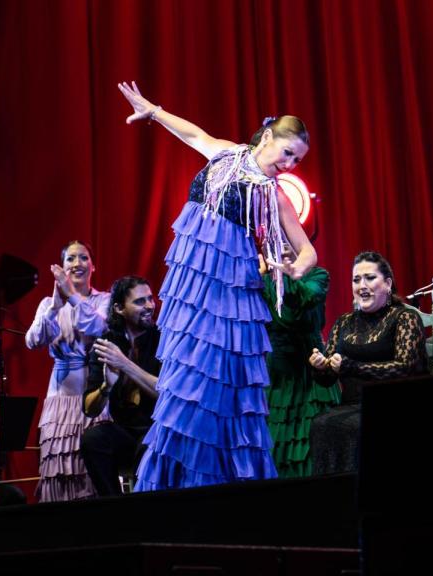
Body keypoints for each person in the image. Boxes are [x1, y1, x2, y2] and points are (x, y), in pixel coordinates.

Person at [118, 82, 317, 490]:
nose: (291, 164)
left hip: (229, 289)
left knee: (221, 376)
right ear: (266, 138)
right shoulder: (226, 154)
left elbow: (307, 250)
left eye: (297, 159)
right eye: (287, 153)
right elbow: (194, 134)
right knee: (188, 371)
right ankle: (175, 475)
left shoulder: (273, 195)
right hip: (195, 278)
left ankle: (220, 477)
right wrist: (152, 110)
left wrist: (296, 268)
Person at [308, 251, 427, 475]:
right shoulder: (344, 322)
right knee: (320, 424)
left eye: (370, 278)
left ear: (388, 283)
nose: (362, 285)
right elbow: (327, 380)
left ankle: (362, 501)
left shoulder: (405, 318)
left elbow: (404, 368)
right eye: (356, 279)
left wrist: (350, 366)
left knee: (355, 428)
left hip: (396, 407)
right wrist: (320, 366)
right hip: (351, 405)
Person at [26, 240, 110, 501]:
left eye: (83, 258)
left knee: (89, 469)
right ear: (61, 268)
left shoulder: (103, 300)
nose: (77, 264)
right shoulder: (48, 304)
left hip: (92, 395)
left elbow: (98, 328)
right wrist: (55, 305)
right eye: (71, 259)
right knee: (57, 470)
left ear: (93, 265)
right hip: (59, 401)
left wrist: (72, 296)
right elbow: (33, 340)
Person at [259, 246, 340, 478]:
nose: (283, 245)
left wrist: (286, 275)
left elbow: (300, 301)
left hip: (312, 373)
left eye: (288, 239)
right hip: (277, 376)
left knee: (315, 446)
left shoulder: (318, 276)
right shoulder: (261, 279)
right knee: (276, 449)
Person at [80, 276, 161, 496]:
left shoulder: (163, 339)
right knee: (93, 439)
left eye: (150, 299)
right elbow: (89, 408)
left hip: (159, 430)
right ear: (119, 308)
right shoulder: (107, 344)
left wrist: (124, 364)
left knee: (150, 446)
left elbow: (167, 392)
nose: (149, 306)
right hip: (126, 432)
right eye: (139, 301)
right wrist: (106, 386)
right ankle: (116, 510)